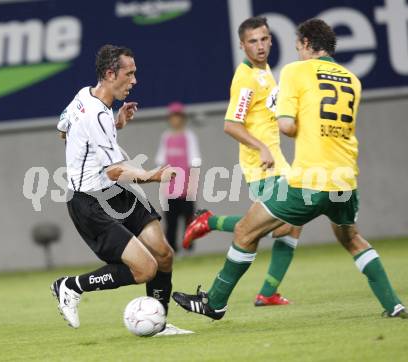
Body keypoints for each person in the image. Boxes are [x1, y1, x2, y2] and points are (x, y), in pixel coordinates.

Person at [172, 19, 407, 320]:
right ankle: (394, 304)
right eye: (255, 40)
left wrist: (297, 127)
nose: (294, 52)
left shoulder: (294, 71)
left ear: (308, 44)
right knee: (351, 239)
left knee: (248, 230)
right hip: (345, 178)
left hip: (308, 179)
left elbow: (286, 125)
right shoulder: (352, 79)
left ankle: (215, 301)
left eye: (296, 46)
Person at [51, 44, 193, 335]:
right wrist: (151, 175)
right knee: (145, 269)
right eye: (129, 74)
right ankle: (70, 286)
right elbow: (115, 170)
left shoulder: (83, 97)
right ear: (109, 73)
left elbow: (63, 131)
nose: (134, 80)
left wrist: (116, 123)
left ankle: (158, 322)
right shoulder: (96, 115)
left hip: (113, 194)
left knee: (164, 253)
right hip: (89, 202)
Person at [182, 16, 301, 306]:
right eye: (252, 41)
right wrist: (261, 147)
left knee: (291, 224)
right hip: (261, 164)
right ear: (242, 45)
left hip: (277, 160)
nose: (259, 46)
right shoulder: (246, 77)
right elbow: (231, 125)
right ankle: (209, 222)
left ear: (271, 39)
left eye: (263, 39)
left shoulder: (266, 71)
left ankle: (268, 293)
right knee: (273, 223)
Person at [155, 102, 201, 253]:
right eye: (173, 117)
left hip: (186, 188)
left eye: (178, 117)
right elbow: (161, 162)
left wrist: (191, 186)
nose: (176, 120)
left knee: (189, 221)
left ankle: (189, 250)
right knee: (171, 223)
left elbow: (194, 161)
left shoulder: (189, 137)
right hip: (170, 190)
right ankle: (172, 252)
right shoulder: (166, 137)